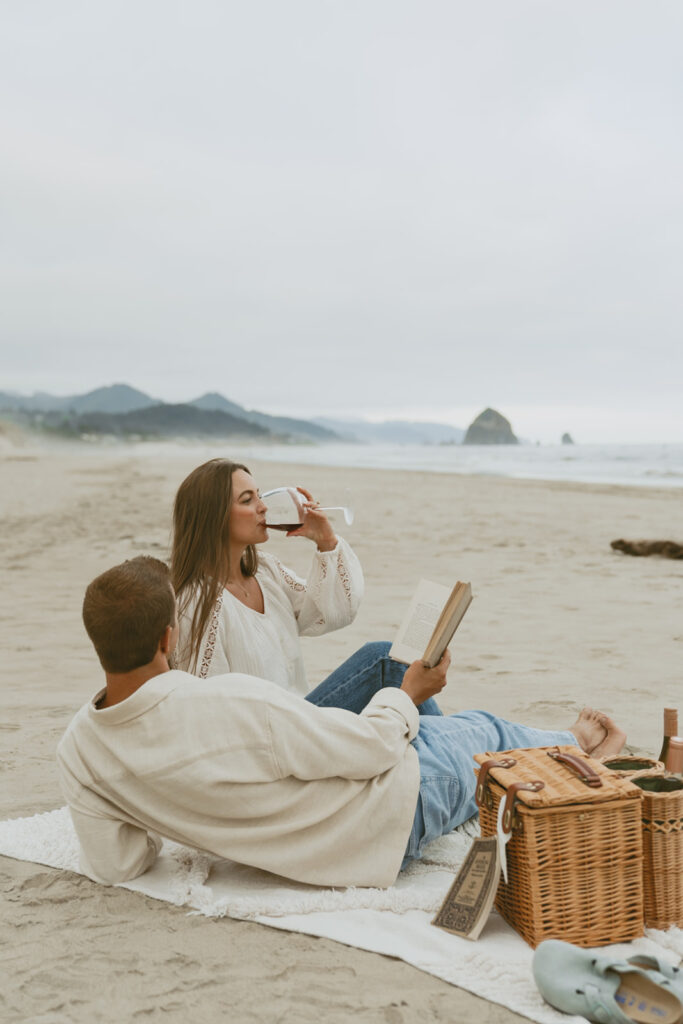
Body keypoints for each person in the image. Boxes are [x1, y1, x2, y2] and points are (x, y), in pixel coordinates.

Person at [57, 557, 626, 888]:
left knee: (433, 732)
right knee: (487, 733)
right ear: (168, 637)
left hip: (336, 840)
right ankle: (581, 748)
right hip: (395, 810)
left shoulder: (80, 750)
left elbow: (119, 865)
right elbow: (373, 749)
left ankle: (467, 751)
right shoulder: (228, 703)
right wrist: (409, 692)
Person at [171, 458, 442, 715]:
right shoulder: (196, 603)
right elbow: (206, 707)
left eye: (260, 495)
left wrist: (325, 540)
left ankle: (463, 751)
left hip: (301, 719)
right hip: (270, 741)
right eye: (247, 500)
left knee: (413, 724)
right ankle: (468, 754)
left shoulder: (265, 572)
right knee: (384, 660)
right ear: (212, 516)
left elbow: (333, 613)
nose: (263, 507)